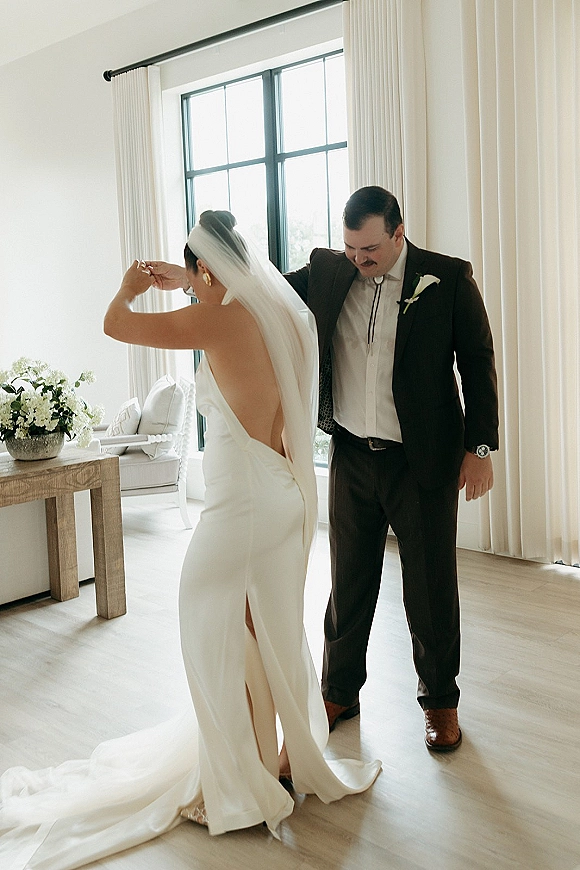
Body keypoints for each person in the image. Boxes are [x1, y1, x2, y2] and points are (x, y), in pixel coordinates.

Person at [0, 211, 380, 868]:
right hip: (281, 494)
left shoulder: (217, 319)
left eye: (193, 277)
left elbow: (115, 325)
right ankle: (281, 760)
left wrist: (128, 288)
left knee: (207, 627)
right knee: (266, 633)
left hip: (240, 509)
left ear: (208, 270)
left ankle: (239, 785)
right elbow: (225, 304)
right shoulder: (276, 312)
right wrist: (190, 278)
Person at [284, 187, 499, 752]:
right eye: (352, 248)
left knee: (429, 587)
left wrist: (480, 449)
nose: (360, 259)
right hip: (352, 455)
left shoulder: (446, 278)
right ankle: (339, 691)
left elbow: (478, 363)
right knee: (348, 583)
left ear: (398, 232)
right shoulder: (331, 272)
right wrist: (201, 279)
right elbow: (269, 296)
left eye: (371, 249)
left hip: (421, 460)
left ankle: (440, 702)